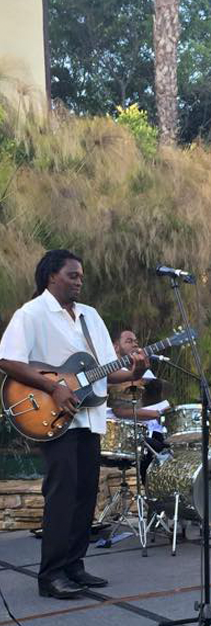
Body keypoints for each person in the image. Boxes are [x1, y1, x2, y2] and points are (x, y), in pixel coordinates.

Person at [0, 250, 148, 599]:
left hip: (90, 419)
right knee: (62, 495)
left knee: (85, 495)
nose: (79, 280)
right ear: (52, 276)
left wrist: (137, 370)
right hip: (52, 417)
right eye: (72, 275)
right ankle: (50, 576)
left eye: (81, 276)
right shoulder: (32, 313)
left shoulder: (91, 317)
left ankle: (74, 566)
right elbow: (7, 360)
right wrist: (54, 386)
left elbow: (113, 371)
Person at [108, 329, 170, 482]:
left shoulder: (147, 374)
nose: (135, 344)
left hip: (150, 432)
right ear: (116, 347)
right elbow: (121, 411)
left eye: (136, 341)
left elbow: (156, 402)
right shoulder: (114, 373)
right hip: (123, 435)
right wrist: (157, 414)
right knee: (156, 449)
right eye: (129, 341)